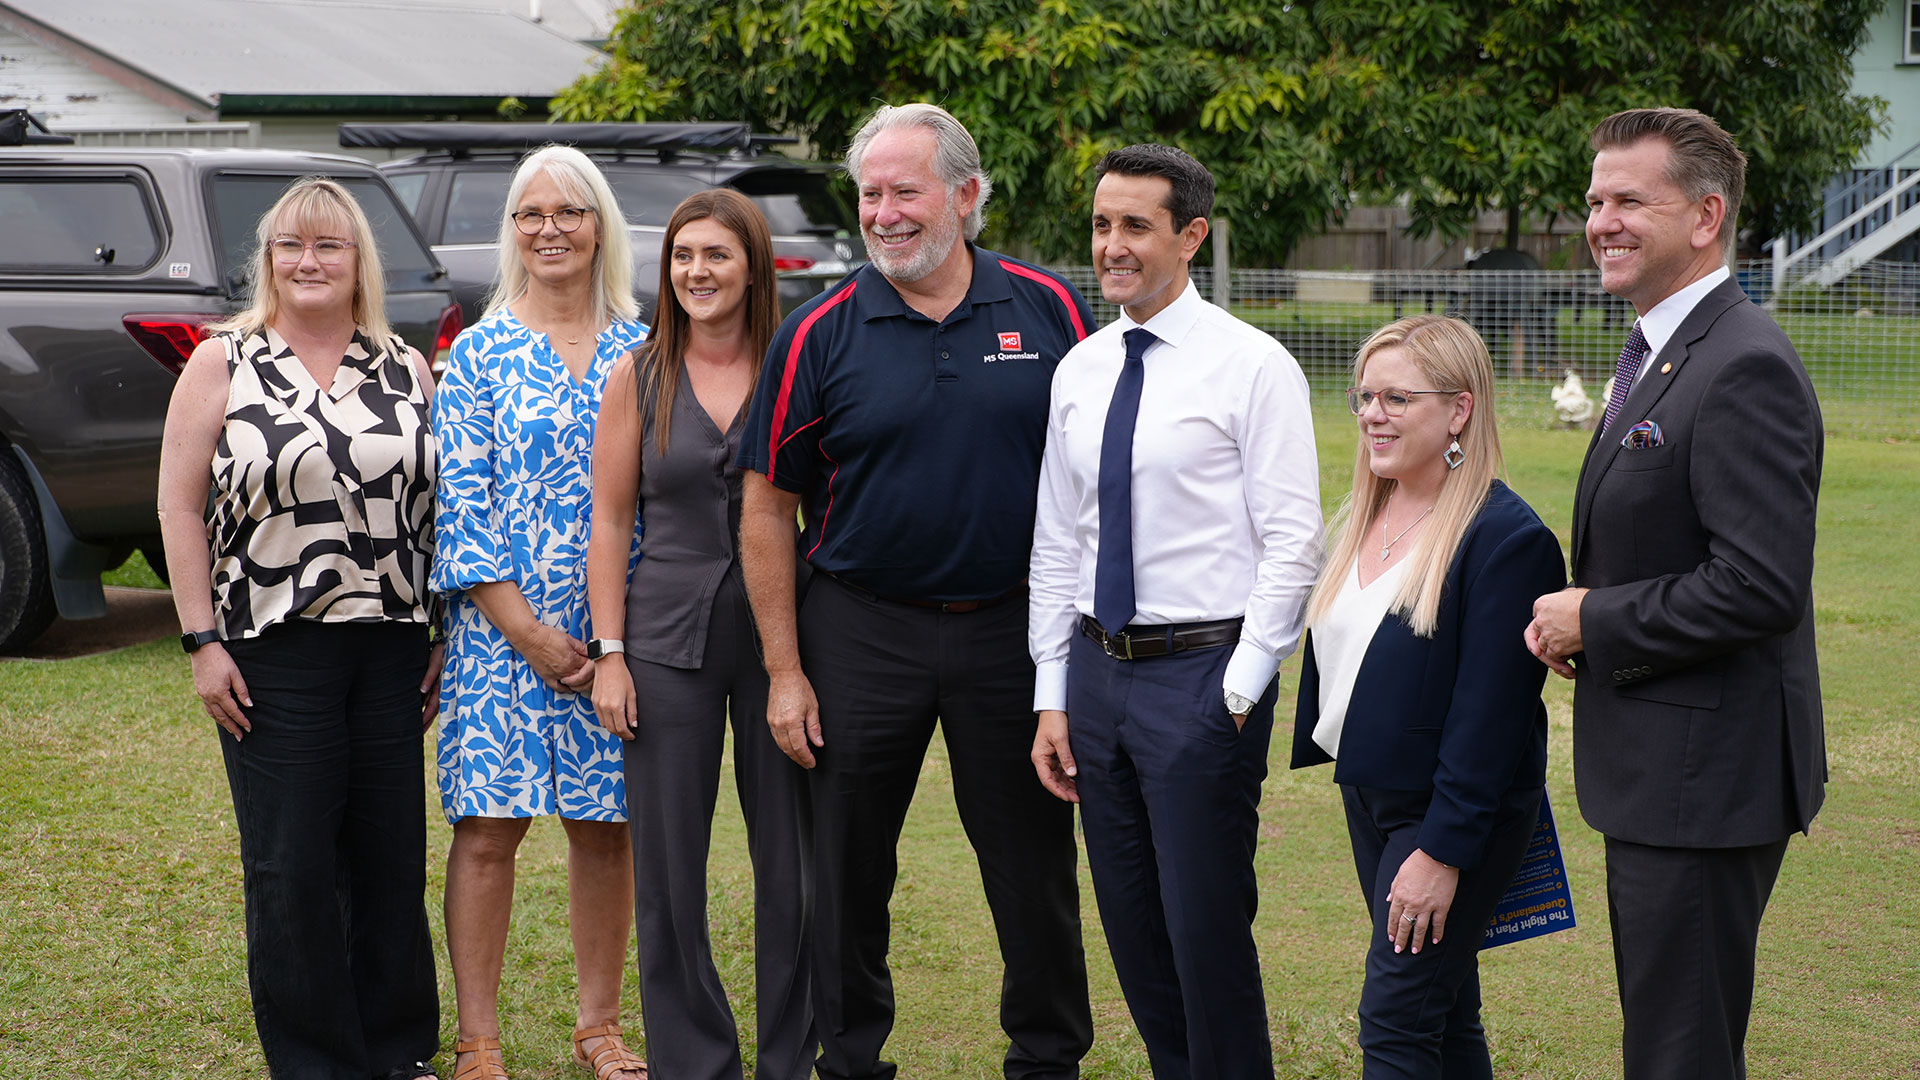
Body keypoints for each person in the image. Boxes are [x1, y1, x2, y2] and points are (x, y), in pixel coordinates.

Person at [736, 102, 1096, 1080]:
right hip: (858, 628)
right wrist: (783, 671)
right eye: (870, 194)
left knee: (1033, 870)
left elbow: (1097, 479)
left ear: (966, 196)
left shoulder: (1048, 309)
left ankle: (1048, 1058)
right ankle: (850, 1062)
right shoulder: (817, 331)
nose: (884, 213)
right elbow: (767, 509)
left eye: (907, 190)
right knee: (848, 873)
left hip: (1013, 635)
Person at [1524, 107, 1826, 1080]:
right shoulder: (1661, 350)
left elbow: (1758, 584)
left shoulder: (1742, 363)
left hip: (1707, 781)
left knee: (1680, 1051)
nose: (1600, 221)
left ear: (1705, 217)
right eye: (1593, 201)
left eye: (1627, 201)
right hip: (1665, 766)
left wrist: (1595, 617)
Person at [1027, 143, 1322, 1080]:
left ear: (1190, 235)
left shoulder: (1253, 366)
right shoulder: (1080, 366)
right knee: (1132, 927)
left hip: (1203, 679)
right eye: (1103, 224)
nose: (1112, 246)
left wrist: (1237, 691)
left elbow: (1293, 541)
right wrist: (1053, 693)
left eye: (1136, 227)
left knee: (1204, 930)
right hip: (1096, 677)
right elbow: (1059, 542)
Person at [156, 176, 442, 1080]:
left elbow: (433, 509)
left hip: (394, 643)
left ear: (360, 261)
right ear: (268, 260)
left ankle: (397, 1052)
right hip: (272, 648)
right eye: (290, 245)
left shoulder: (404, 363)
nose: (309, 261)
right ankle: (318, 1062)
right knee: (291, 864)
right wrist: (202, 641)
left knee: (391, 857)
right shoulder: (224, 360)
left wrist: (436, 632)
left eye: (329, 245)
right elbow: (177, 506)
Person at [1290, 315, 1566, 1078]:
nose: (1373, 414)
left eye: (1397, 398)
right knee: (1443, 1013)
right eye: (1365, 397)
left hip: (1444, 815)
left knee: (1396, 1022)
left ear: (1459, 410)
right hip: (1371, 799)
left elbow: (1492, 721)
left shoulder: (1505, 540)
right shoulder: (1367, 515)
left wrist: (1442, 850)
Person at [585, 189, 815, 1080]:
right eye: (682, 257)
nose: (696, 273)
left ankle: (789, 1059)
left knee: (791, 864)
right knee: (671, 869)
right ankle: (695, 1060)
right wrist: (609, 654)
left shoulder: (797, 365)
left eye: (716, 255)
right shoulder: (637, 376)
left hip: (782, 643)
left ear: (752, 265)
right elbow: (608, 522)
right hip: (663, 641)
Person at [431, 145, 650, 1080]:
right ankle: (478, 1037)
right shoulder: (481, 351)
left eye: (569, 211)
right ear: (511, 232)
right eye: (530, 215)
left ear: (601, 224)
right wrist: (523, 629)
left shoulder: (646, 347)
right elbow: (460, 504)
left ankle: (599, 1026)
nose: (550, 229)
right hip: (499, 635)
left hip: (617, 640)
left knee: (607, 829)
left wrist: (608, 644)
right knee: (488, 830)